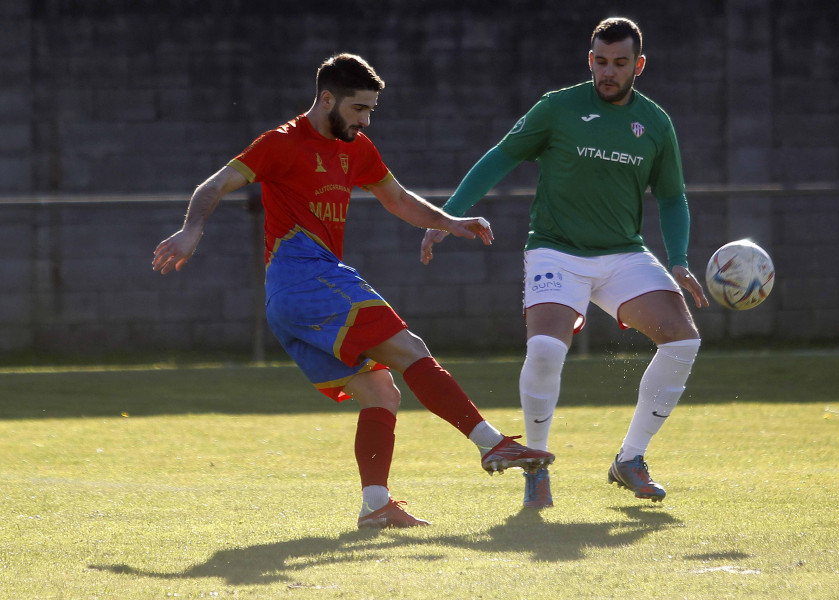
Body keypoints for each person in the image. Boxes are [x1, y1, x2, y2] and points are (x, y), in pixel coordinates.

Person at [152, 53, 554, 529]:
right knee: (410, 349)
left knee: (381, 391)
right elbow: (214, 184)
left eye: (370, 111)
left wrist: (450, 222)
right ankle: (492, 444)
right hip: (304, 280)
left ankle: (375, 505)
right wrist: (192, 229)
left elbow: (398, 199)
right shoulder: (280, 143)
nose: (365, 120)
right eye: (358, 109)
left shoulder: (357, 147)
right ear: (327, 99)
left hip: (297, 299)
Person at [421, 18, 708, 508]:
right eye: (600, 61)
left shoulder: (656, 123)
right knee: (546, 352)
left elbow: (673, 197)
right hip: (556, 250)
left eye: (620, 63)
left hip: (623, 254)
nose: (608, 72)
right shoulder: (558, 107)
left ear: (638, 65)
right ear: (589, 58)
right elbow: (499, 156)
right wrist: (446, 217)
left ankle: (630, 460)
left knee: (684, 341)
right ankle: (536, 465)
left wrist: (678, 261)